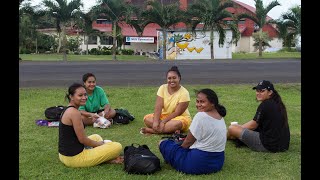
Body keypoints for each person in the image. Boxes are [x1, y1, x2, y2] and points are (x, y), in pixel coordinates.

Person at [159, 88, 227, 175]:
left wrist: (178, 151)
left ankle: (172, 159)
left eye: (202, 102)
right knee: (179, 143)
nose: (198, 105)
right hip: (217, 163)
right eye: (197, 101)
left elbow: (187, 142)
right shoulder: (219, 115)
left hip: (197, 164)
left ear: (212, 103)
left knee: (163, 143)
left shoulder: (200, 116)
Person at [58, 83, 123, 167]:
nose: (84, 98)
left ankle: (102, 156)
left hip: (64, 154)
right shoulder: (74, 113)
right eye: (80, 95)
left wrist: (92, 117)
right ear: (71, 97)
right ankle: (107, 158)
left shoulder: (68, 109)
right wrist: (100, 144)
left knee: (96, 136)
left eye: (85, 95)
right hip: (74, 158)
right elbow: (83, 140)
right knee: (117, 147)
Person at [227, 80, 290, 152]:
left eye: (262, 91)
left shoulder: (265, 105)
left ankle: (223, 137)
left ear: (270, 92)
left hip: (269, 146)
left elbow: (253, 125)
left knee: (232, 128)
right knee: (238, 129)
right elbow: (256, 123)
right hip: (283, 145)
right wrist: (240, 128)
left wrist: (237, 128)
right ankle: (232, 135)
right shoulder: (277, 103)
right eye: (257, 90)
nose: (258, 93)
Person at [141, 66, 192, 134]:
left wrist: (163, 122)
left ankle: (152, 131)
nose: (171, 80)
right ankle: (167, 129)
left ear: (179, 78)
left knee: (176, 124)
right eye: (169, 78)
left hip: (179, 117)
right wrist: (156, 122)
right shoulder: (162, 88)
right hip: (164, 115)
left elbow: (177, 113)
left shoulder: (184, 93)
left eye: (174, 78)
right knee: (146, 119)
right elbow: (158, 107)